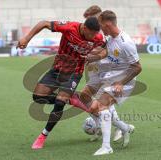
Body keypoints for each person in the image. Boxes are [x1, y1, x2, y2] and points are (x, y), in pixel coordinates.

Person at [17, 17, 105, 149]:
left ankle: (43, 136)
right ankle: (71, 100)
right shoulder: (70, 28)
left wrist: (94, 56)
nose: (93, 37)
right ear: (85, 28)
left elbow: (104, 50)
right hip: (57, 69)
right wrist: (27, 38)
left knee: (59, 102)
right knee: (38, 97)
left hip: (75, 72)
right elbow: (44, 23)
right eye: (91, 34)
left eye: (95, 34)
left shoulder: (97, 37)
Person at [88, 10, 142, 156]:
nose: (100, 28)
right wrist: (90, 57)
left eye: (101, 25)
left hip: (125, 80)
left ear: (108, 23)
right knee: (93, 108)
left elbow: (138, 67)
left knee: (102, 105)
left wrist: (121, 83)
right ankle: (124, 128)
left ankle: (106, 147)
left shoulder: (126, 43)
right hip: (112, 78)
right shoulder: (111, 38)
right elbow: (106, 52)